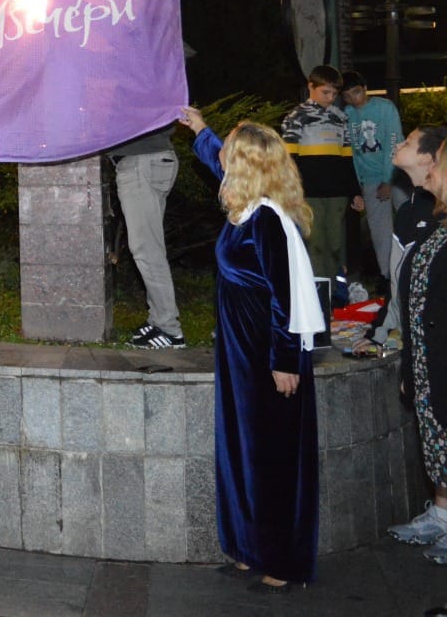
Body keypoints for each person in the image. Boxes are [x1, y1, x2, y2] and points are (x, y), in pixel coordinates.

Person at [179, 107, 322, 592]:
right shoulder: (247, 206)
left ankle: (281, 559)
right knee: (242, 448)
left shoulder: (267, 222)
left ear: (248, 165)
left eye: (230, 150)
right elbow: (218, 164)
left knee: (271, 454)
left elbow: (286, 298)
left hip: (266, 353)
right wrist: (201, 131)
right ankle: (247, 546)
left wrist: (284, 361)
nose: (223, 157)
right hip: (241, 352)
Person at [386, 132, 447, 562]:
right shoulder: (424, 214)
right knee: (438, 447)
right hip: (429, 359)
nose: (433, 172)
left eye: (439, 163)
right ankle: (443, 516)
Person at [365, 125, 447, 350]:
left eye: (408, 142)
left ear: (426, 159)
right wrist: (377, 334)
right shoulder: (407, 209)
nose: (399, 145)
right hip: (416, 344)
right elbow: (398, 282)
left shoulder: (438, 213)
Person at [279, 64, 362, 284]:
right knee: (315, 244)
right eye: (326, 92)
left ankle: (337, 293)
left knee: (336, 244)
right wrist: (290, 191)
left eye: (334, 94)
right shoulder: (296, 117)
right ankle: (318, 296)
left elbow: (347, 159)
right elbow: (289, 160)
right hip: (309, 193)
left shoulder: (340, 118)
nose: (330, 98)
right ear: (311, 86)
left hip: (337, 193)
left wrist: (355, 191)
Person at [109, 126, 184, 348]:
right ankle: (159, 320)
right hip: (148, 161)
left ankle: (169, 330)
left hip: (142, 162)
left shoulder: (132, 90)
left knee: (146, 249)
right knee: (149, 248)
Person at [342, 71, 403, 276]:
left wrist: (388, 180)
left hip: (397, 175)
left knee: (409, 223)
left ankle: (414, 274)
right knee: (380, 234)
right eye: (347, 95)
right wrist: (357, 186)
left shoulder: (385, 108)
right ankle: (389, 277)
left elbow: (393, 144)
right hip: (369, 181)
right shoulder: (346, 115)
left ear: (365, 87)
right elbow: (351, 154)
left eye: (356, 92)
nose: (353, 99)